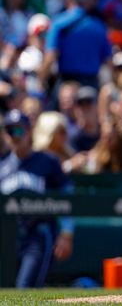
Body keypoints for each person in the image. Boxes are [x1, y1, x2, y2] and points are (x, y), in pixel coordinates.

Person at [0, 110, 74, 287]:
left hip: (38, 233)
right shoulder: (3, 165)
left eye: (19, 130)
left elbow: (68, 196)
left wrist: (66, 233)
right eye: (10, 131)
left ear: (29, 131)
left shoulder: (47, 162)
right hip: (8, 235)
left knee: (25, 288)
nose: (15, 136)